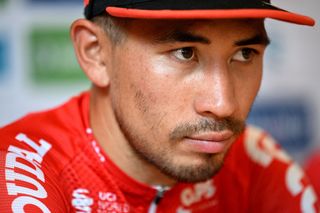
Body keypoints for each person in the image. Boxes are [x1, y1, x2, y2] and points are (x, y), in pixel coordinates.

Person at [0, 0, 319, 212]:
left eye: (244, 54)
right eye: (184, 53)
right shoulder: (22, 174)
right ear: (96, 53)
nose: (223, 105)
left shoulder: (250, 156)